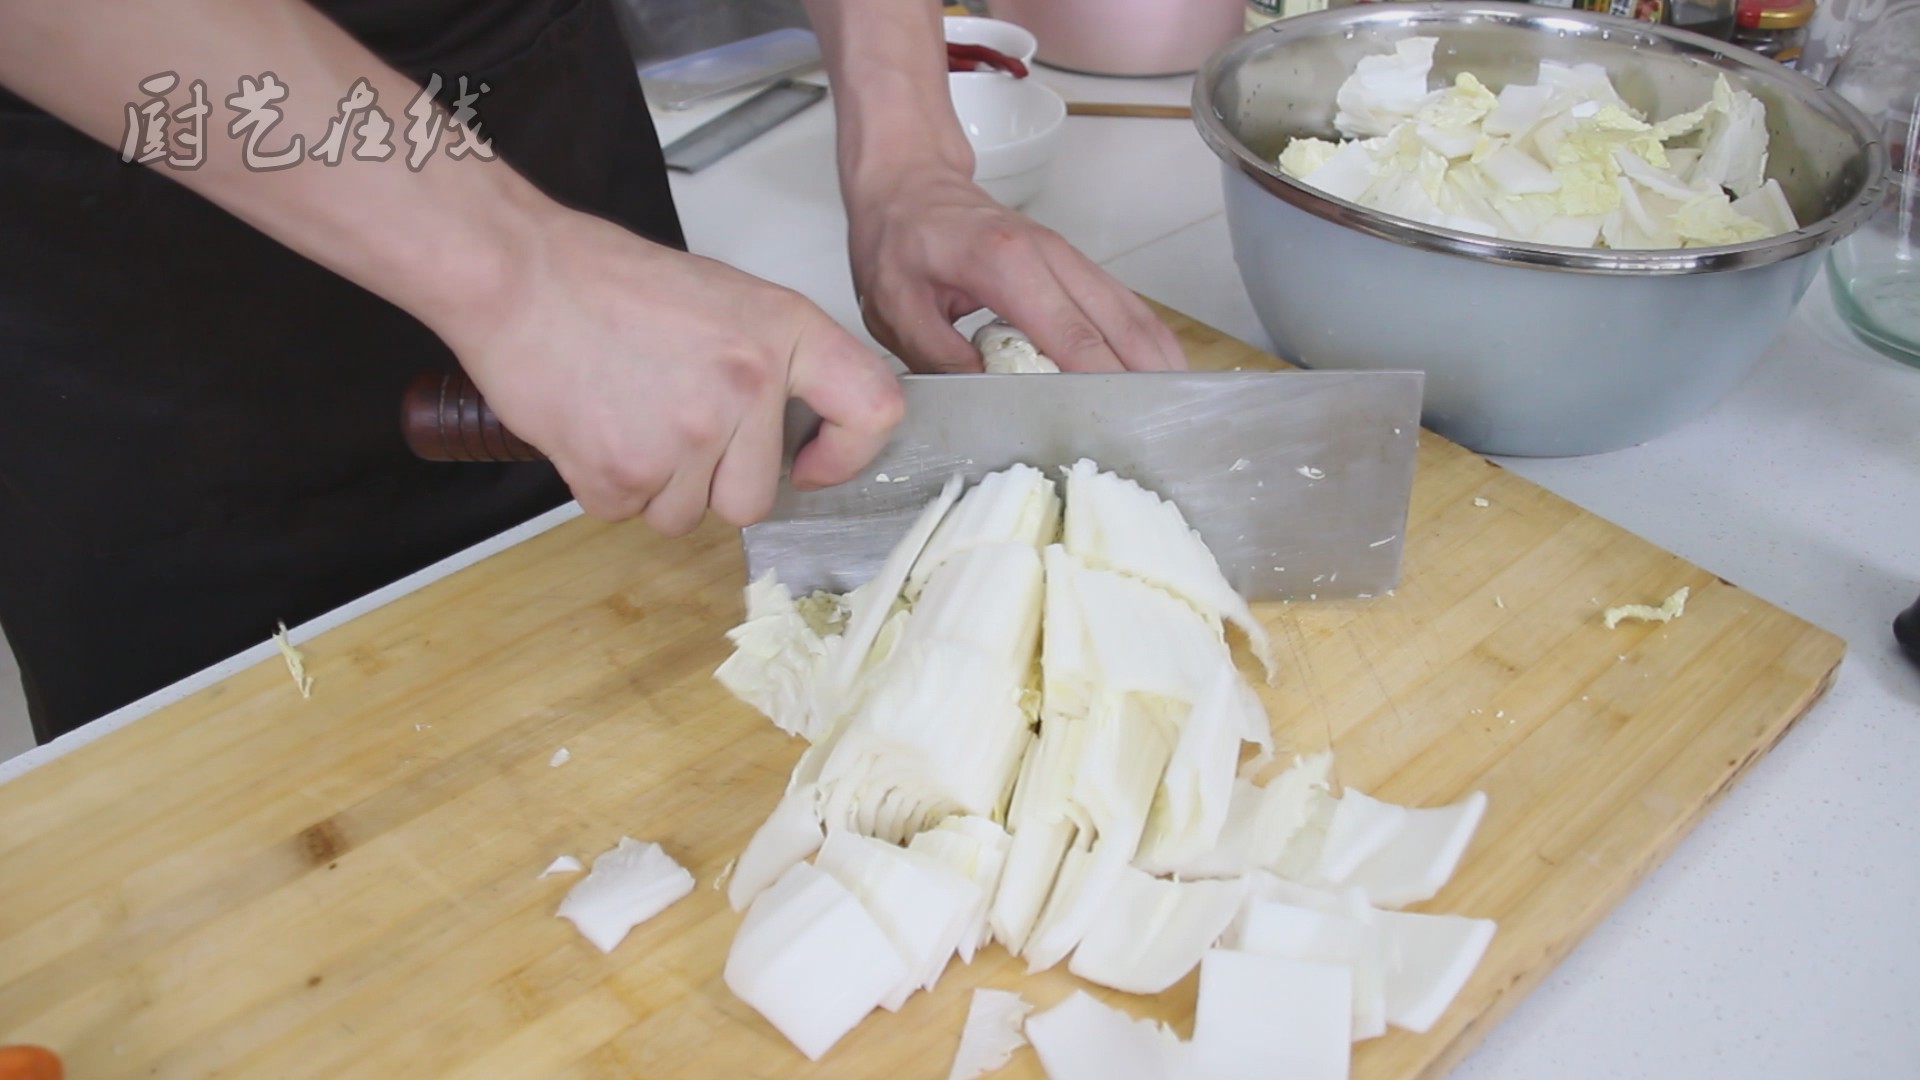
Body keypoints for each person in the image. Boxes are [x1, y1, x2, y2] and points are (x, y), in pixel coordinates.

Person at [0, 0, 1186, 743]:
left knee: (664, 713)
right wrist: (518, 270)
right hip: (147, 253)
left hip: (551, 131)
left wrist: (908, 154)